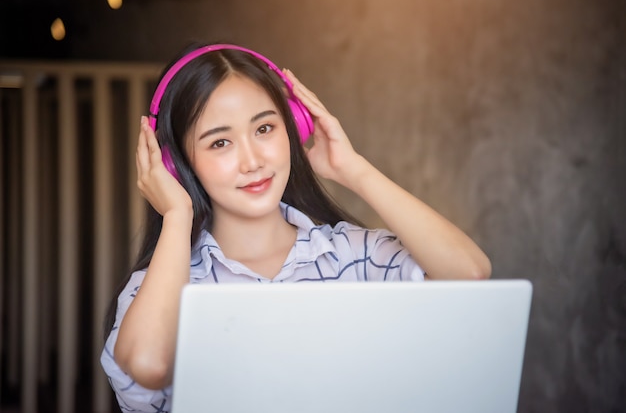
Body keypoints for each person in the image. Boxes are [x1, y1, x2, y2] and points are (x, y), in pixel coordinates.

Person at [100, 42, 491, 412]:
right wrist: (176, 214)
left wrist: (351, 169)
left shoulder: (352, 257)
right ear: (176, 165)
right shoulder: (161, 288)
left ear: (294, 127)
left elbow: (469, 272)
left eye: (265, 128)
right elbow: (148, 365)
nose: (252, 160)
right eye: (220, 143)